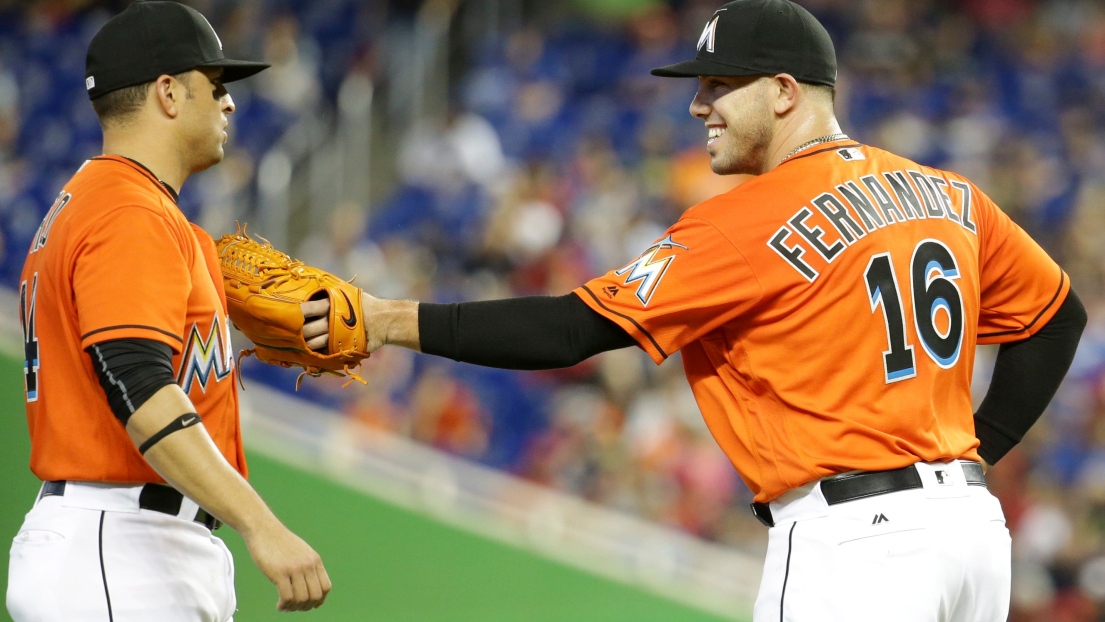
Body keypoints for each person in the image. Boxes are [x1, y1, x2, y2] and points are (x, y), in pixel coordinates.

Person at [303, 0, 1088, 620]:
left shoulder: (742, 220)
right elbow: (1058, 320)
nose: (698, 105)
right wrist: (977, 453)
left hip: (852, 543)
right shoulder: (947, 194)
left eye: (719, 85)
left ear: (784, 92)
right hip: (970, 539)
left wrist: (387, 320)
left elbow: (571, 329)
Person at [8, 2, 330, 620]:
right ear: (168, 93)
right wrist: (261, 524)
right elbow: (139, 383)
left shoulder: (107, 203)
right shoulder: (129, 212)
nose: (229, 104)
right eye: (215, 87)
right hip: (117, 541)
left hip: (124, 543)